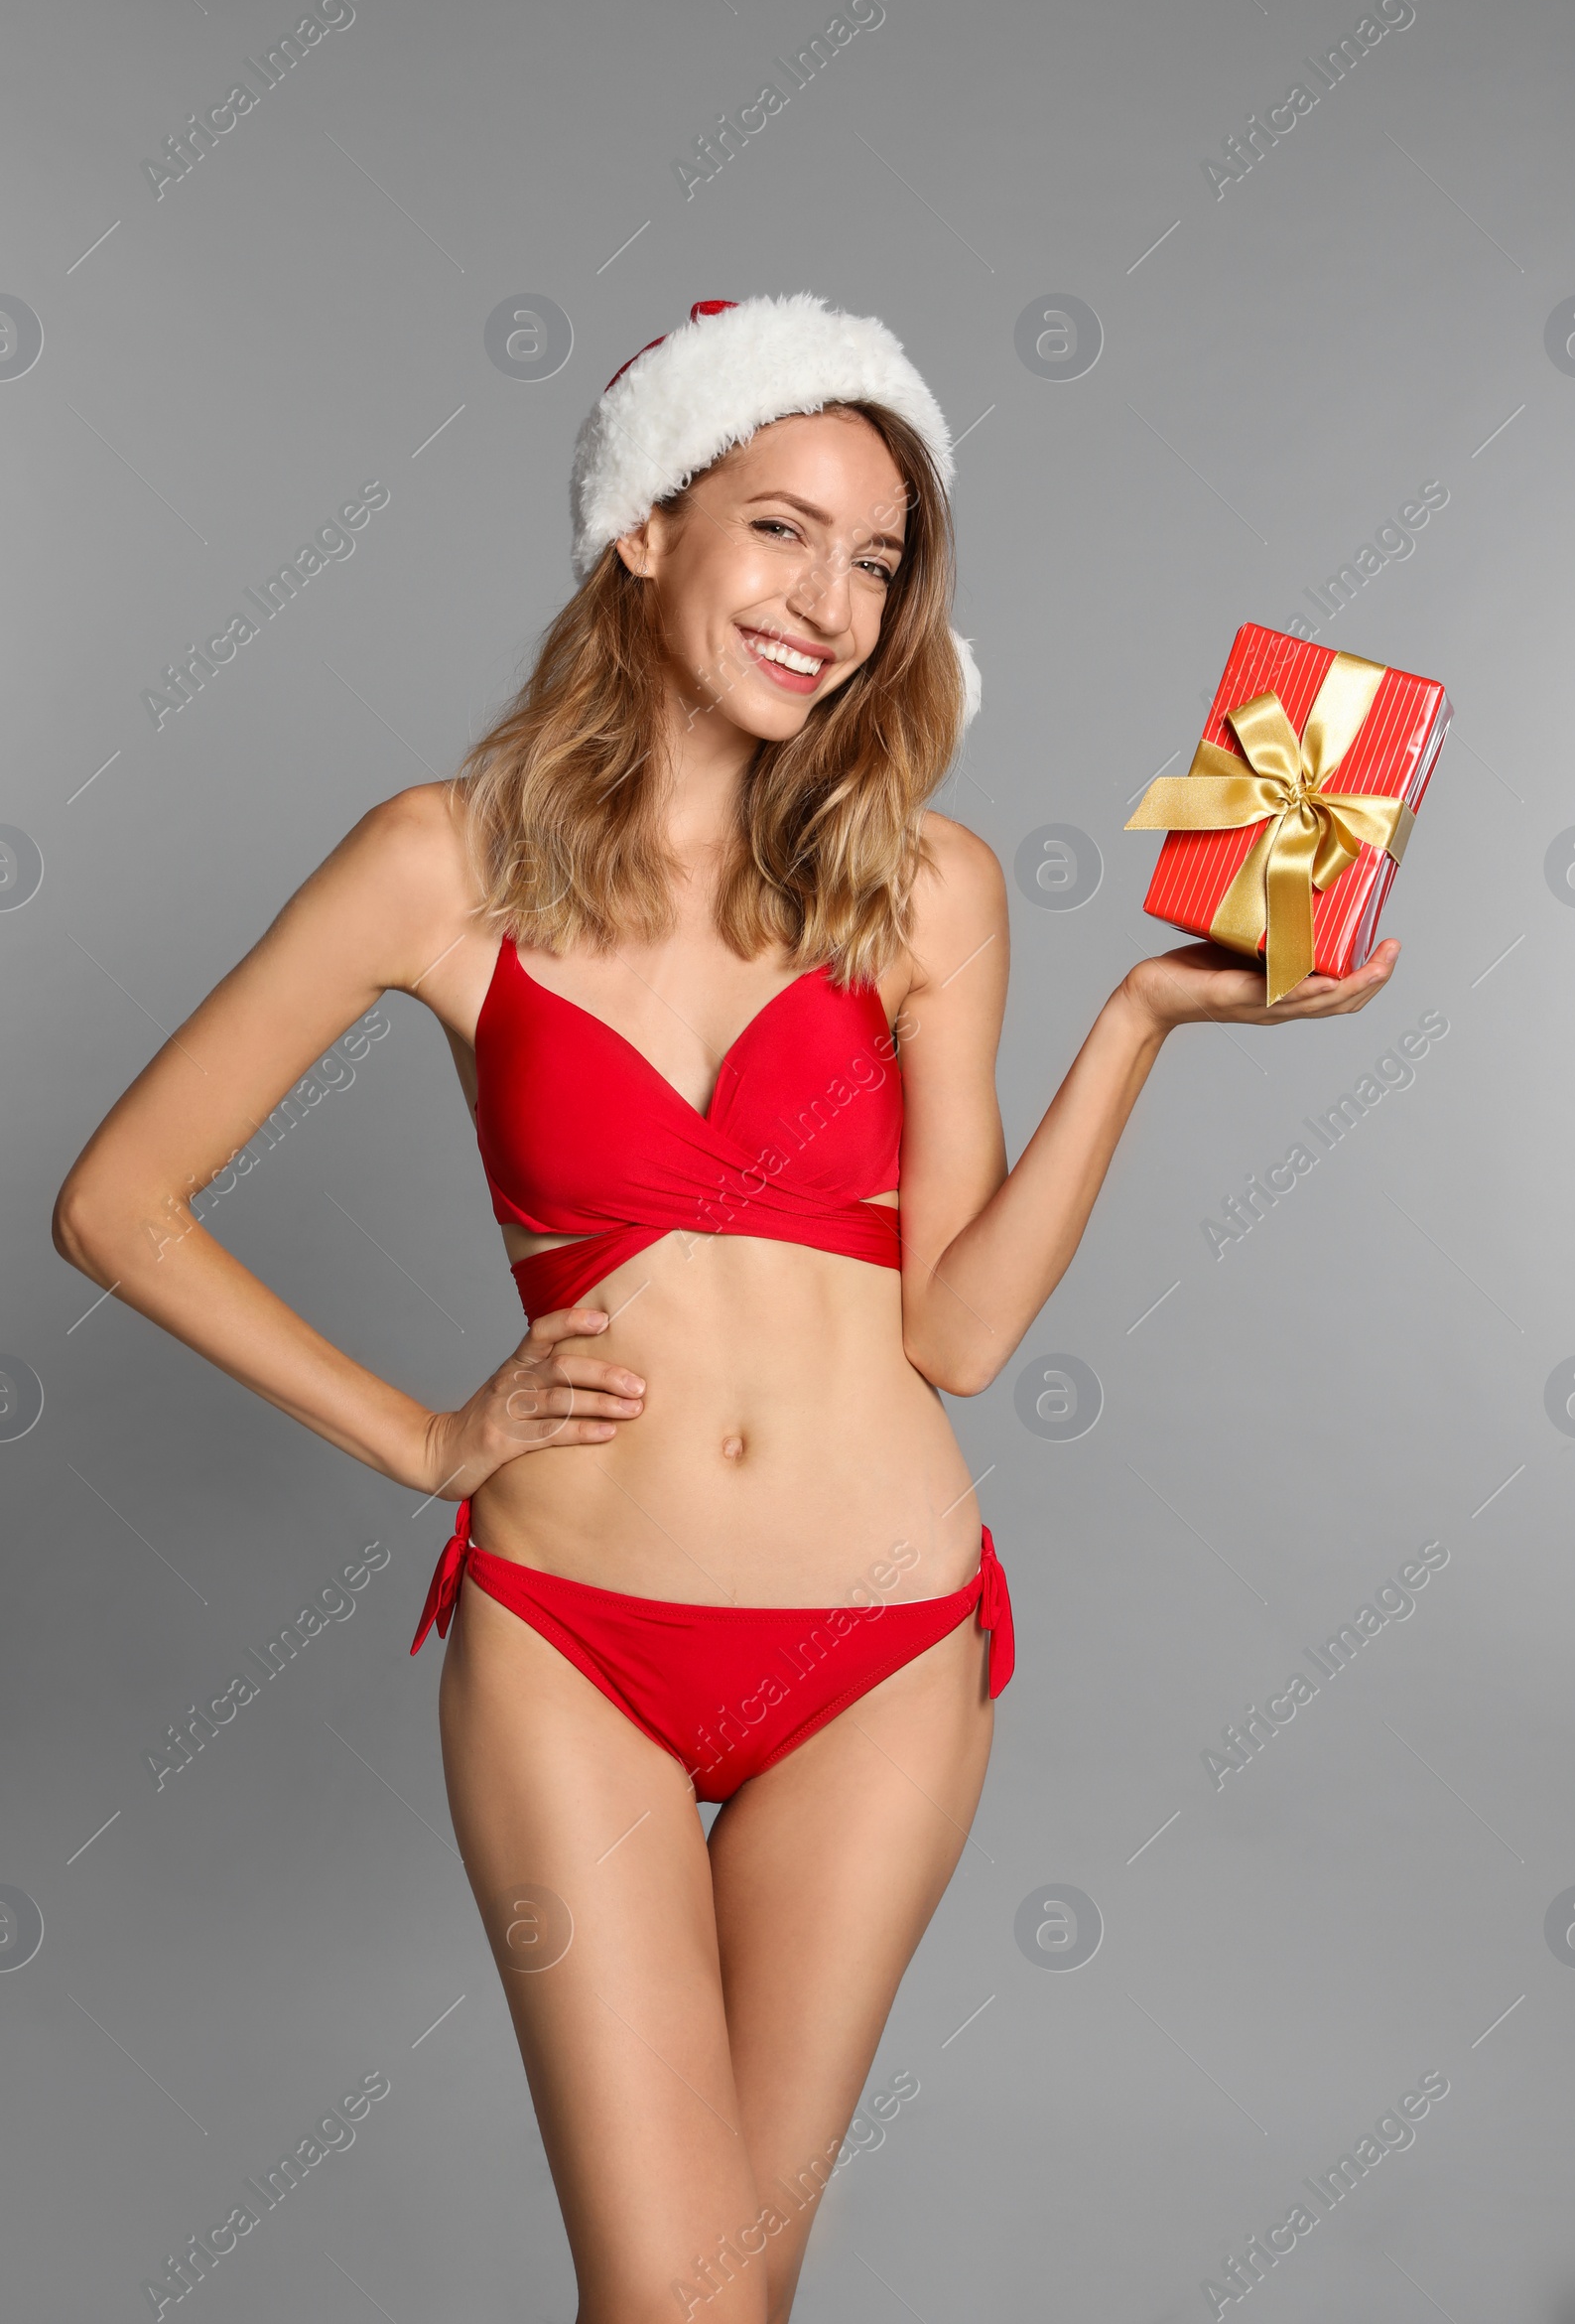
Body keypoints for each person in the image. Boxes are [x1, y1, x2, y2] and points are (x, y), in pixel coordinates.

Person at [54, 292, 1399, 2324]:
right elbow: (115, 1202)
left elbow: (951, 1337)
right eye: (780, 528)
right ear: (644, 530)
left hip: (878, 1655)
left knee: (728, 2307)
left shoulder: (925, 885)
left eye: (874, 561)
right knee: (672, 2302)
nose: (830, 600)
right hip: (572, 1647)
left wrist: (1139, 1021)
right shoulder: (441, 863)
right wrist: (427, 1438)